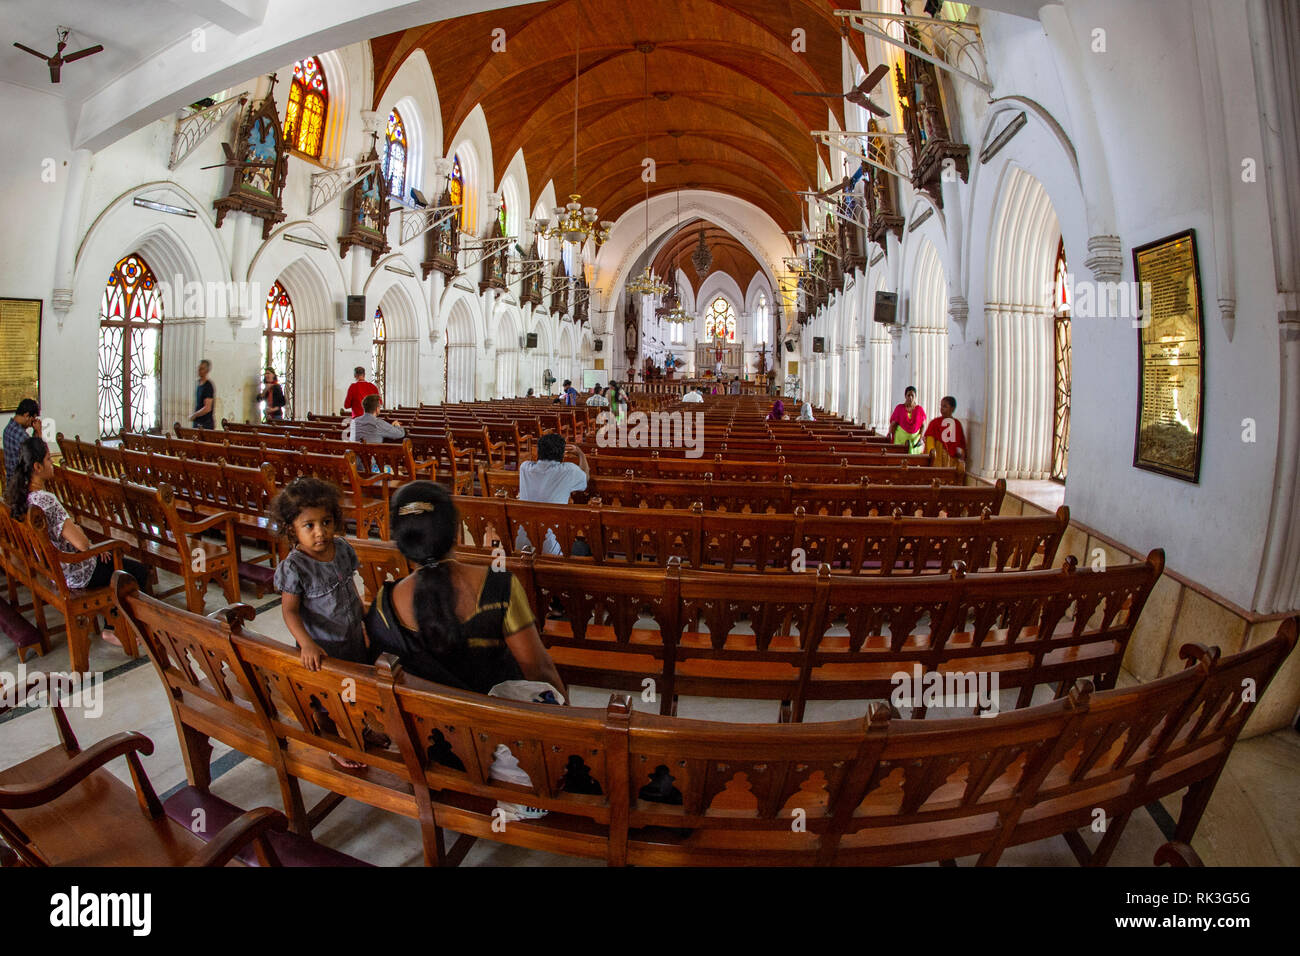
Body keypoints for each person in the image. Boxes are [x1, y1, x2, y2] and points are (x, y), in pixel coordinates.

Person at [365, 481, 567, 698]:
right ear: (455, 530)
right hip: (500, 721)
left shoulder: (382, 606)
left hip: (431, 727)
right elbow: (539, 670)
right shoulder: (499, 586)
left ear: (400, 540)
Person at [4, 436, 150, 649]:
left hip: (55, 571)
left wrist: (89, 543)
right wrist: (96, 546)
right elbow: (81, 544)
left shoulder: (22, 497)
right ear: (37, 467)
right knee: (135, 572)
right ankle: (115, 628)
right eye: (47, 459)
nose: (51, 462)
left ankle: (118, 624)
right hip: (75, 573)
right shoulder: (47, 500)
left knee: (107, 558)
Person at [270, 476, 370, 769]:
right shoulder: (295, 567)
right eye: (309, 526)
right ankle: (335, 744)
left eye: (326, 522)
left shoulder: (341, 549)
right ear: (292, 529)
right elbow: (289, 611)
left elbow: (350, 588)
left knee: (355, 692)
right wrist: (307, 644)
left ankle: (360, 731)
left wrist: (363, 618)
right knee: (327, 701)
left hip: (350, 637)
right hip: (322, 647)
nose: (320, 533)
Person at [517, 432, 589, 556]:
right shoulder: (568, 471)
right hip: (550, 550)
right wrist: (581, 454)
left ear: (538, 452)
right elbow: (585, 477)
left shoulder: (524, 468)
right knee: (584, 547)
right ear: (562, 455)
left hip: (521, 544)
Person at [924, 395, 968, 465]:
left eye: (945, 406)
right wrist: (931, 453)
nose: (941, 409)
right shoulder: (935, 422)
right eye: (941, 406)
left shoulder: (957, 424)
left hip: (952, 460)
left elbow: (960, 443)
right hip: (937, 457)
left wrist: (961, 456)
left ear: (952, 409)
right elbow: (929, 439)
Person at [4, 398, 40, 485]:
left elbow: (30, 444)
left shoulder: (8, 428)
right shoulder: (21, 435)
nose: (31, 424)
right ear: (27, 415)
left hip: (10, 481)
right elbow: (38, 455)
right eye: (32, 419)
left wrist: (34, 432)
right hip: (20, 484)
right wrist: (39, 432)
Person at [889, 386, 927, 454]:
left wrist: (921, 437)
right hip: (900, 441)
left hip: (915, 442)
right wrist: (890, 435)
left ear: (915, 396)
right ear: (905, 396)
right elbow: (893, 423)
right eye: (908, 395)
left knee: (914, 461)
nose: (910, 398)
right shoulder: (899, 408)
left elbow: (923, 425)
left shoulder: (919, 409)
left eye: (912, 395)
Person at [190, 360, 215, 430]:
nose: (199, 370)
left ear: (207, 371)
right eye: (199, 368)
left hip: (205, 424)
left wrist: (194, 415)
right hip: (197, 422)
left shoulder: (208, 386)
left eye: (202, 369)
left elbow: (207, 408)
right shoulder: (199, 383)